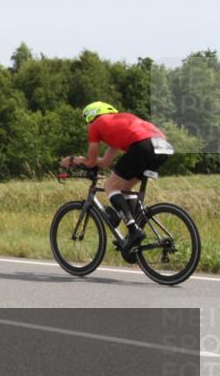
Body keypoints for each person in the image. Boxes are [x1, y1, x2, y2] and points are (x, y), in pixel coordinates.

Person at [59, 102, 174, 262]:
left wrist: (71, 160)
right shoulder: (118, 124)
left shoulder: (96, 124)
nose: (87, 125)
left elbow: (91, 162)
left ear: (91, 116)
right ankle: (133, 236)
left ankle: (134, 230)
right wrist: (82, 161)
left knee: (110, 186)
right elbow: (105, 163)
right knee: (125, 188)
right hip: (164, 147)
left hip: (143, 145)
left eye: (87, 121)